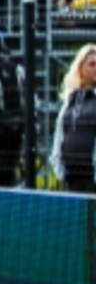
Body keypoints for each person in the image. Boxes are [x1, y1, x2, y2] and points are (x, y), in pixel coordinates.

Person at [51, 43, 96, 193]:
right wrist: (59, 169)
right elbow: (60, 134)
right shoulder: (71, 99)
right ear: (80, 68)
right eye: (92, 64)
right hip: (71, 177)